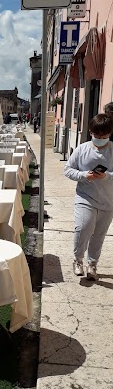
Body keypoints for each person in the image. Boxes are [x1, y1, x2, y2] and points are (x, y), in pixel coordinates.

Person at [64, 113, 113, 280]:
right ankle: (78, 260)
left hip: (108, 201)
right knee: (83, 228)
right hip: (85, 197)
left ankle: (92, 264)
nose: (99, 139)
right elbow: (68, 170)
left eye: (103, 136)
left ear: (109, 134)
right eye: (96, 135)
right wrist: (84, 175)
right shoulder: (82, 149)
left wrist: (107, 177)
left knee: (99, 234)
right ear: (91, 132)